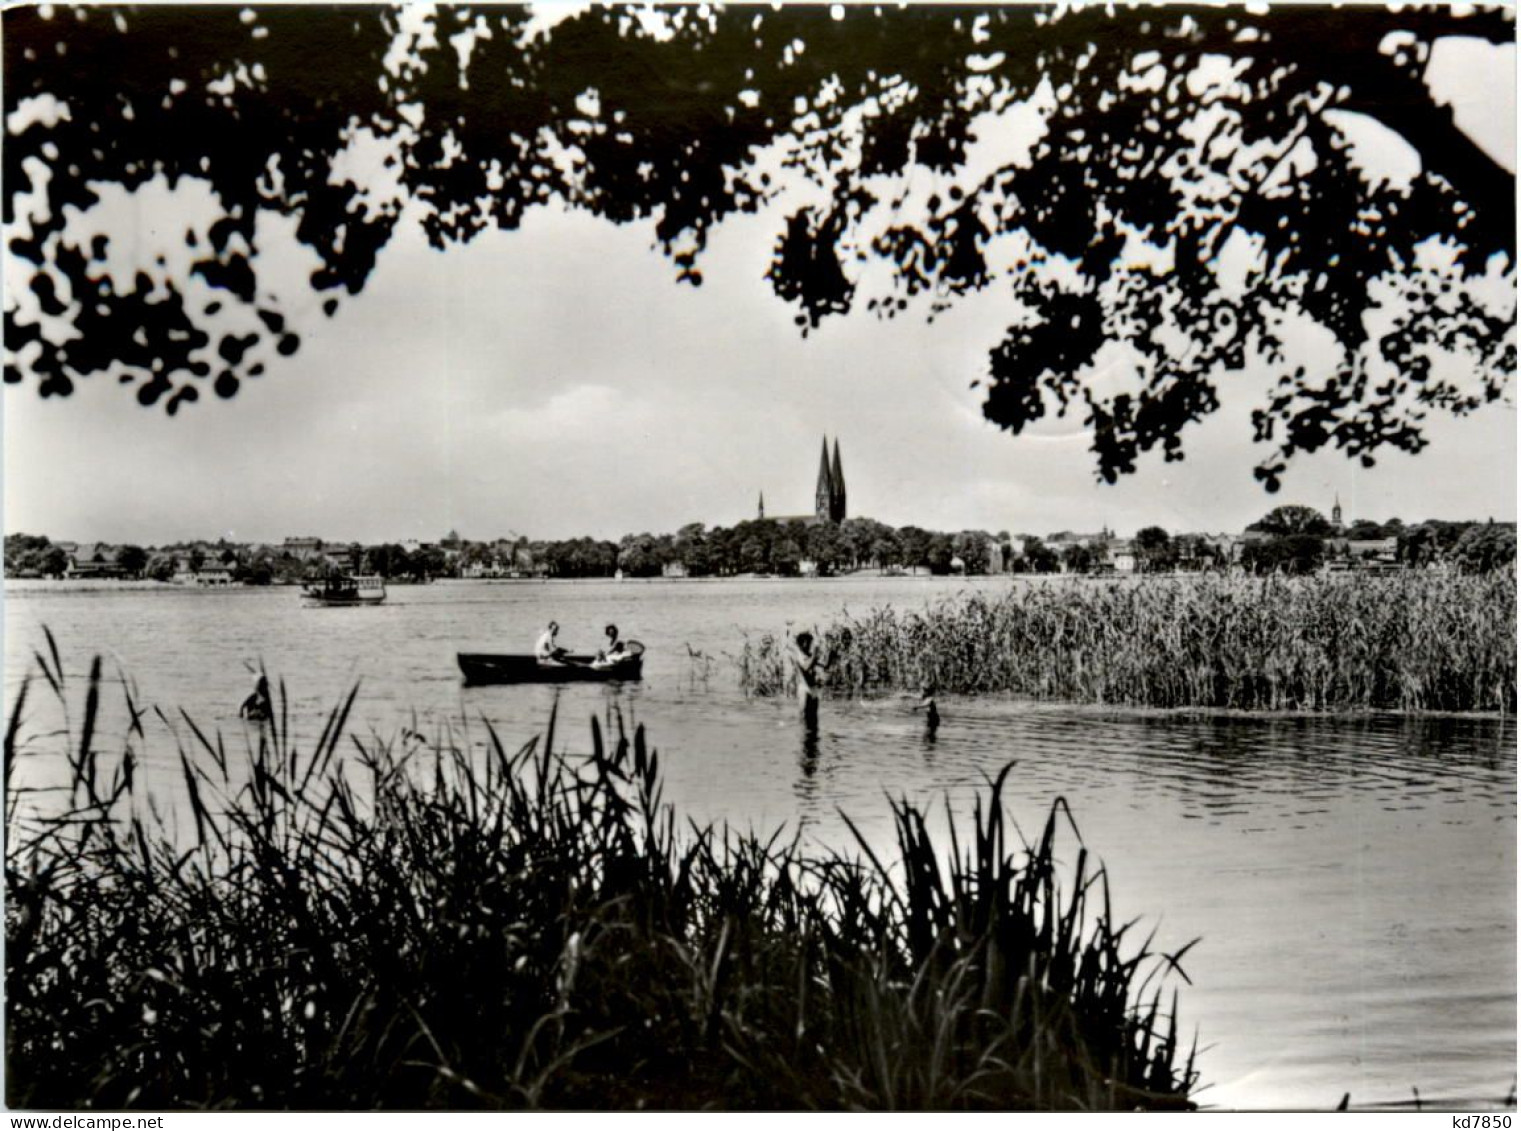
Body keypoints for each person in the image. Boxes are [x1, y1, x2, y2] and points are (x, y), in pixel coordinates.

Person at [787, 628, 829, 728]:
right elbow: (806, 667)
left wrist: (830, 658)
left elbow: (823, 666)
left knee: (814, 717)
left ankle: (813, 739)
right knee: (804, 715)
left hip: (813, 688)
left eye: (811, 642)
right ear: (802, 643)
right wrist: (815, 655)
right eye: (808, 642)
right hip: (804, 689)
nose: (810, 645)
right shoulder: (798, 656)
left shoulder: (809, 655)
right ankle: (804, 736)